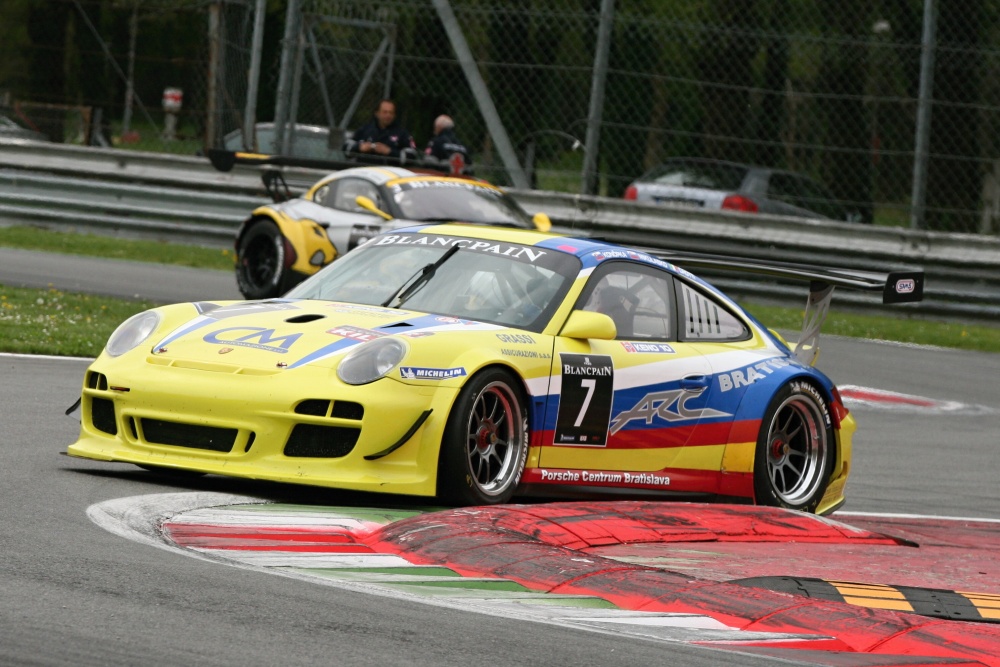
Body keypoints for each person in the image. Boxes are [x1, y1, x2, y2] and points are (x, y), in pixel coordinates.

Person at [345, 99, 416, 159]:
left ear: (394, 115)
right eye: (385, 112)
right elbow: (345, 148)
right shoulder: (365, 129)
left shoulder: (402, 133)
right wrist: (359, 147)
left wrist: (389, 152)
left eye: (391, 113)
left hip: (389, 171)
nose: (388, 115)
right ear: (377, 113)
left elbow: (412, 155)